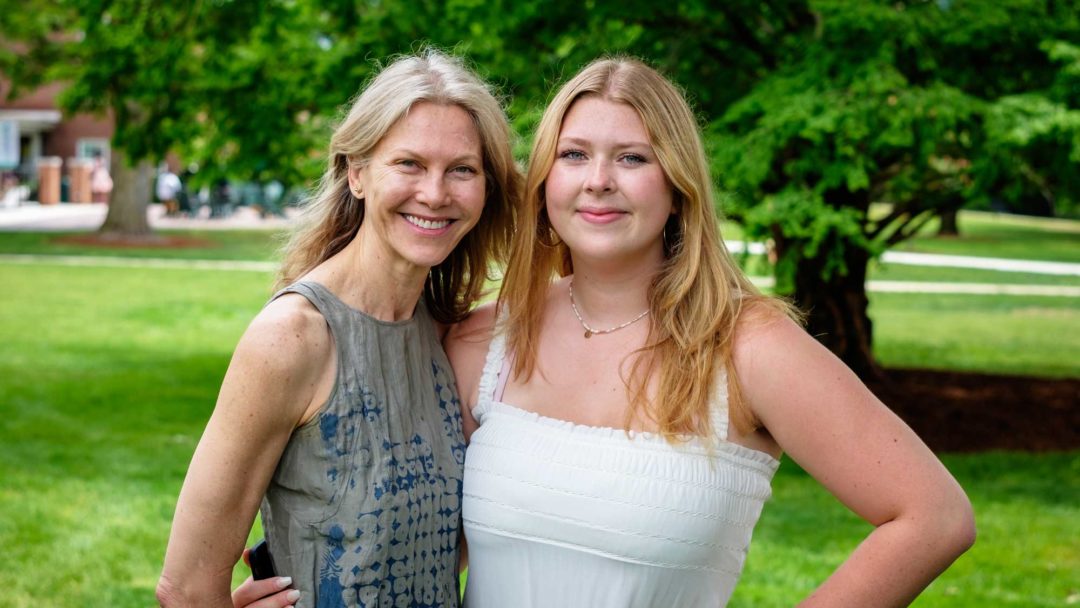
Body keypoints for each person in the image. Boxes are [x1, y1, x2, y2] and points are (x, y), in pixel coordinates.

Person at [442, 58, 975, 606]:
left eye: (632, 158)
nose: (598, 180)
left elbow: (935, 518)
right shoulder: (486, 340)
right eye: (573, 154)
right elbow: (428, 547)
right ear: (543, 181)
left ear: (677, 185)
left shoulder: (749, 348)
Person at [157, 49, 520, 608]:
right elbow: (184, 585)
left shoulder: (447, 334)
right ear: (357, 173)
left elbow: (432, 541)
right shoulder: (294, 336)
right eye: (409, 164)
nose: (435, 192)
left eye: (462, 169)